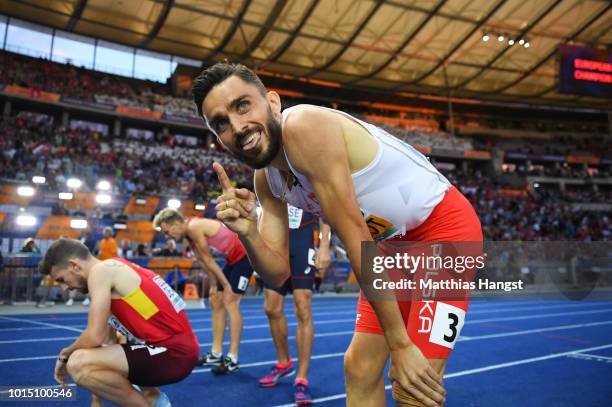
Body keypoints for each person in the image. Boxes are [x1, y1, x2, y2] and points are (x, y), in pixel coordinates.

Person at [192, 62, 483, 407]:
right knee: (359, 368)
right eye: (221, 123)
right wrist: (249, 233)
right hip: (391, 246)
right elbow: (278, 273)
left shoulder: (305, 127)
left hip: (444, 232)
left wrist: (400, 344)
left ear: (272, 103)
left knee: (412, 387)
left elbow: (356, 236)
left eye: (243, 105)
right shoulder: (265, 180)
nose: (237, 127)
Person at [39, 238, 198, 407]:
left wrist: (64, 355)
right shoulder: (113, 267)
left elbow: (94, 336)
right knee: (112, 344)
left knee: (77, 363)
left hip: (174, 353)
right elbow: (105, 344)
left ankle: (152, 400)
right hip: (172, 349)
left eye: (61, 280)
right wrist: (96, 401)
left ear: (74, 265)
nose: (65, 288)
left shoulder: (101, 272)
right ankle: (154, 399)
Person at [152, 209, 254, 374]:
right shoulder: (188, 234)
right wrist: (214, 284)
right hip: (232, 259)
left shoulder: (194, 227)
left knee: (230, 302)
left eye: (166, 231)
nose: (166, 236)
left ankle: (232, 358)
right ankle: (216, 353)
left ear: (176, 223)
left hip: (246, 255)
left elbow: (208, 258)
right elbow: (201, 260)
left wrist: (225, 285)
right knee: (216, 302)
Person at [257, 206, 330, 404]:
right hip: (274, 240)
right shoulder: (267, 175)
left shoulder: (306, 174)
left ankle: (302, 378)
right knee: (271, 308)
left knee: (303, 307)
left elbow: (323, 209)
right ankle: (283, 362)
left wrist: (324, 246)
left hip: (302, 240)